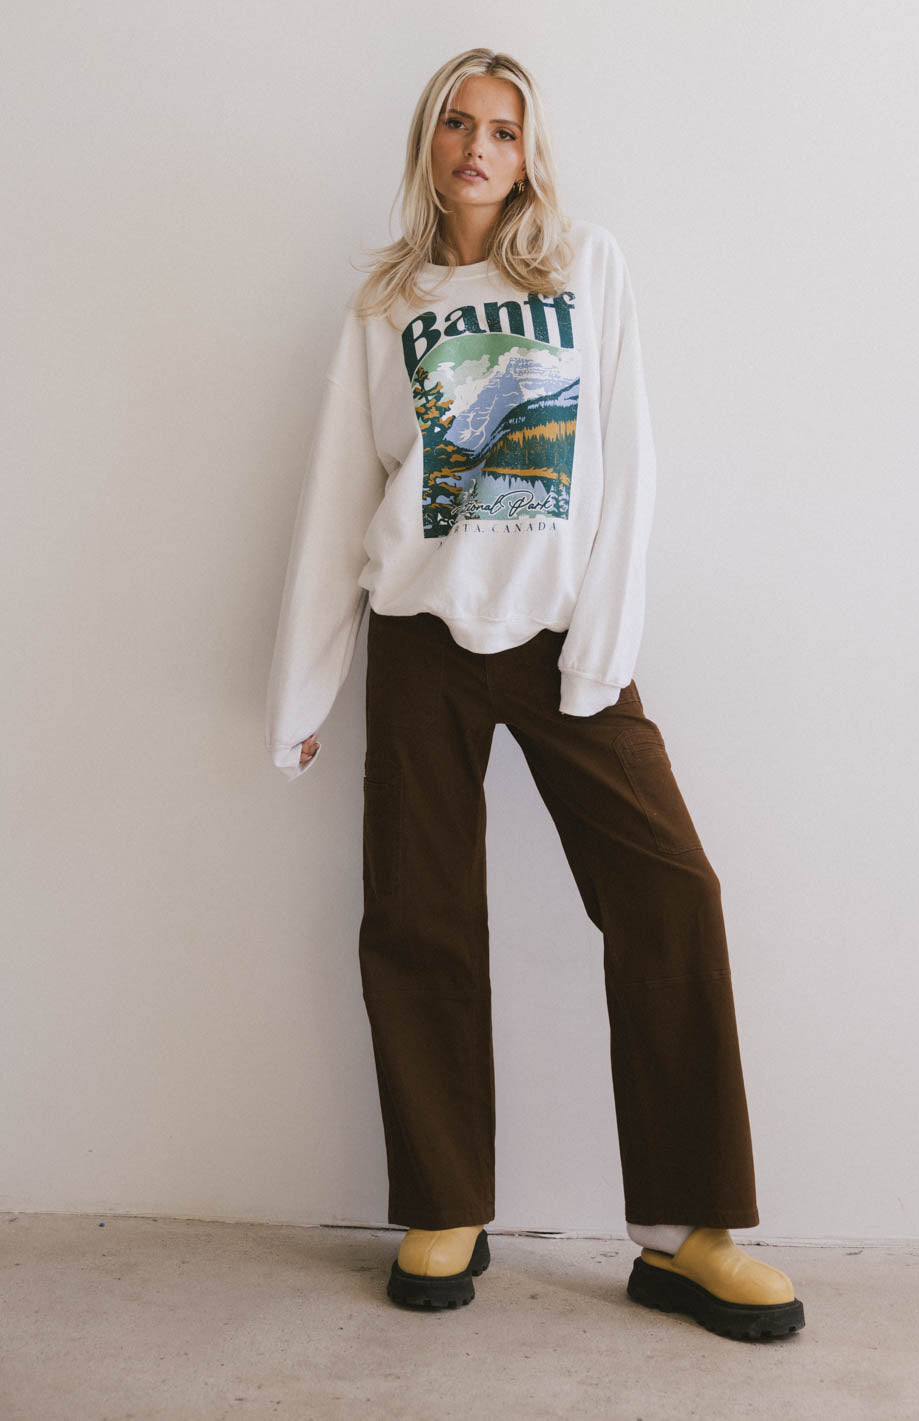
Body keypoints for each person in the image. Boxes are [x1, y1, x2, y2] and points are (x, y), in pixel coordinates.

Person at [264, 46, 805, 1341]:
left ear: (528, 152)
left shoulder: (582, 267)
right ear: (428, 143)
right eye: (458, 123)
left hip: (563, 636)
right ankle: (444, 1203)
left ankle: (685, 1231)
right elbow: (340, 492)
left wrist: (602, 645)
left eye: (503, 129)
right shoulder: (388, 303)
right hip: (419, 634)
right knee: (419, 916)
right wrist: (305, 686)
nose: (478, 147)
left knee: (670, 892)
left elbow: (628, 459)